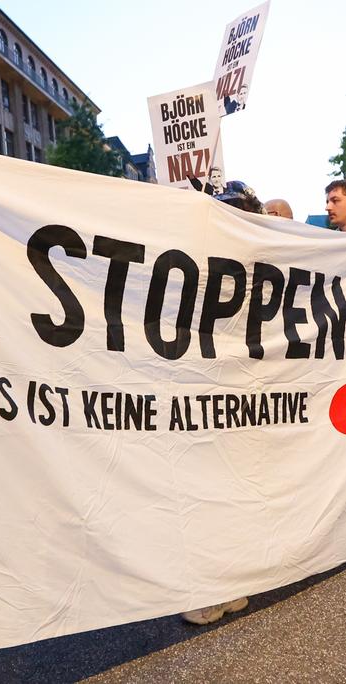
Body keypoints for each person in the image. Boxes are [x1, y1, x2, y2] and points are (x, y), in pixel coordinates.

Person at [180, 180, 265, 626]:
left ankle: (217, 589)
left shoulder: (200, 264)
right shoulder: (269, 263)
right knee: (231, 489)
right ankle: (232, 585)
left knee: (211, 492)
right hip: (245, 397)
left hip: (216, 396)